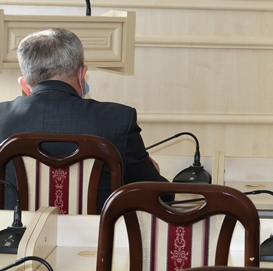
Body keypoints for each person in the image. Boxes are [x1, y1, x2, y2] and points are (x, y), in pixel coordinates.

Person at [0, 28, 168, 209]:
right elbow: (159, 196)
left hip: (15, 228)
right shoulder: (118, 120)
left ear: (24, 84)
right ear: (82, 75)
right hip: (97, 228)